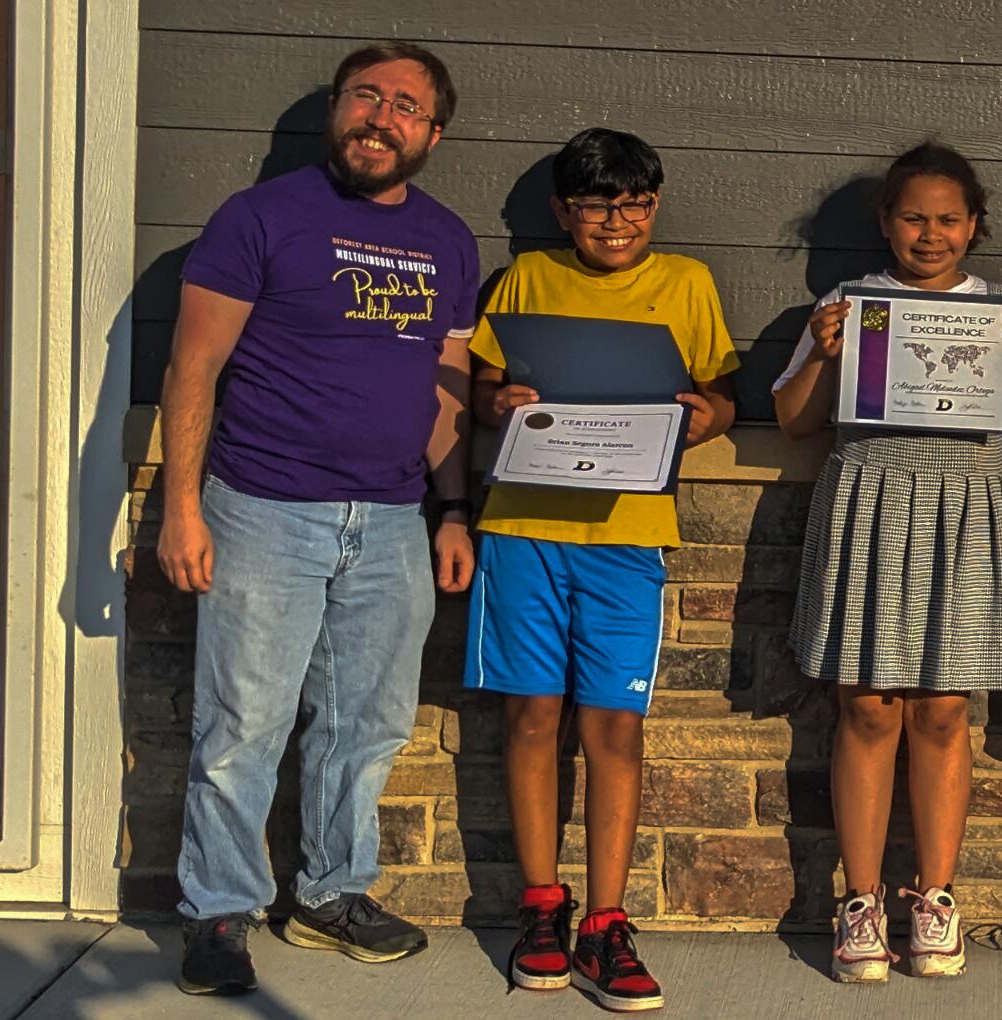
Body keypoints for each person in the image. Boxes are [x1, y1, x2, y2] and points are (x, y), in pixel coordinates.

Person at [155, 41, 478, 998]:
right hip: (261, 508)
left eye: (405, 106)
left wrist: (453, 509)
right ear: (338, 110)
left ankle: (330, 897)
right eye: (364, 96)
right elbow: (192, 370)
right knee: (242, 723)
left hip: (389, 519)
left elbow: (446, 393)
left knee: (367, 723)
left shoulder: (448, 240)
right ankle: (218, 910)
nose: (381, 117)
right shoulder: (259, 218)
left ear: (432, 132)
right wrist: (179, 507)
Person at [466, 128, 740, 1012]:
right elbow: (482, 388)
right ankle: (543, 905)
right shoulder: (526, 280)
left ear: (654, 205)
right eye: (595, 204)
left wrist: (709, 418)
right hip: (526, 526)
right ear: (563, 211)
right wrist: (496, 399)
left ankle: (607, 922)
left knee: (616, 729)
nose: (616, 221)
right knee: (532, 716)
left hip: (627, 534)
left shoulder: (688, 283)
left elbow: (722, 394)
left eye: (633, 203)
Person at [769, 141, 1002, 983]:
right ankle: (860, 901)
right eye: (914, 218)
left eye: (949, 219)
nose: (931, 235)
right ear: (887, 223)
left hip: (963, 503)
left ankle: (935, 898)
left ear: (975, 227)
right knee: (867, 707)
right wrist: (822, 350)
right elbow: (792, 420)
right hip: (871, 495)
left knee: (941, 709)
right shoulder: (852, 303)